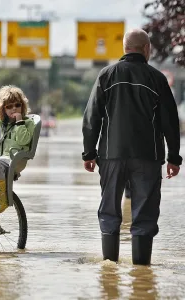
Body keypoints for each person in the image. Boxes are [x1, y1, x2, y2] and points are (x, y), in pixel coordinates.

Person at [82, 29, 182, 265]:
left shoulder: (106, 75)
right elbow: (170, 121)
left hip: (111, 155)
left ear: (125, 48)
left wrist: (89, 152)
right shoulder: (157, 79)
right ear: (146, 49)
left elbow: (91, 117)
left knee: (109, 210)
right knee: (144, 213)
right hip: (148, 156)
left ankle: (109, 269)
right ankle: (141, 271)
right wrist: (174, 158)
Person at [0, 85, 35, 214]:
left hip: (15, 160)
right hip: (0, 157)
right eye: (9, 106)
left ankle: (2, 199)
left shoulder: (27, 123)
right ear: (3, 109)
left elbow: (23, 140)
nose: (14, 109)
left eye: (17, 105)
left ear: (22, 106)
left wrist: (19, 122)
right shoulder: (1, 124)